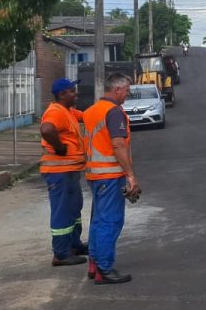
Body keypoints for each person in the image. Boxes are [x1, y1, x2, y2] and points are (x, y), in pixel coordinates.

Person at [82, 72, 139, 284]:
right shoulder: (114, 112)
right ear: (116, 90)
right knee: (110, 221)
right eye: (126, 91)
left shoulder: (91, 111)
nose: (127, 95)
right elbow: (117, 145)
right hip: (109, 176)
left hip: (94, 175)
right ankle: (104, 269)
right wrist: (131, 175)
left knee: (98, 220)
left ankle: (94, 264)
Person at [39, 78, 89, 267]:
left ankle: (74, 245)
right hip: (59, 171)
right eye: (71, 91)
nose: (75, 94)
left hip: (70, 170)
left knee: (74, 208)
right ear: (61, 95)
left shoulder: (67, 111)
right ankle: (61, 253)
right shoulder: (55, 112)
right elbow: (47, 129)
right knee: (62, 211)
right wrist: (59, 147)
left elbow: (85, 116)